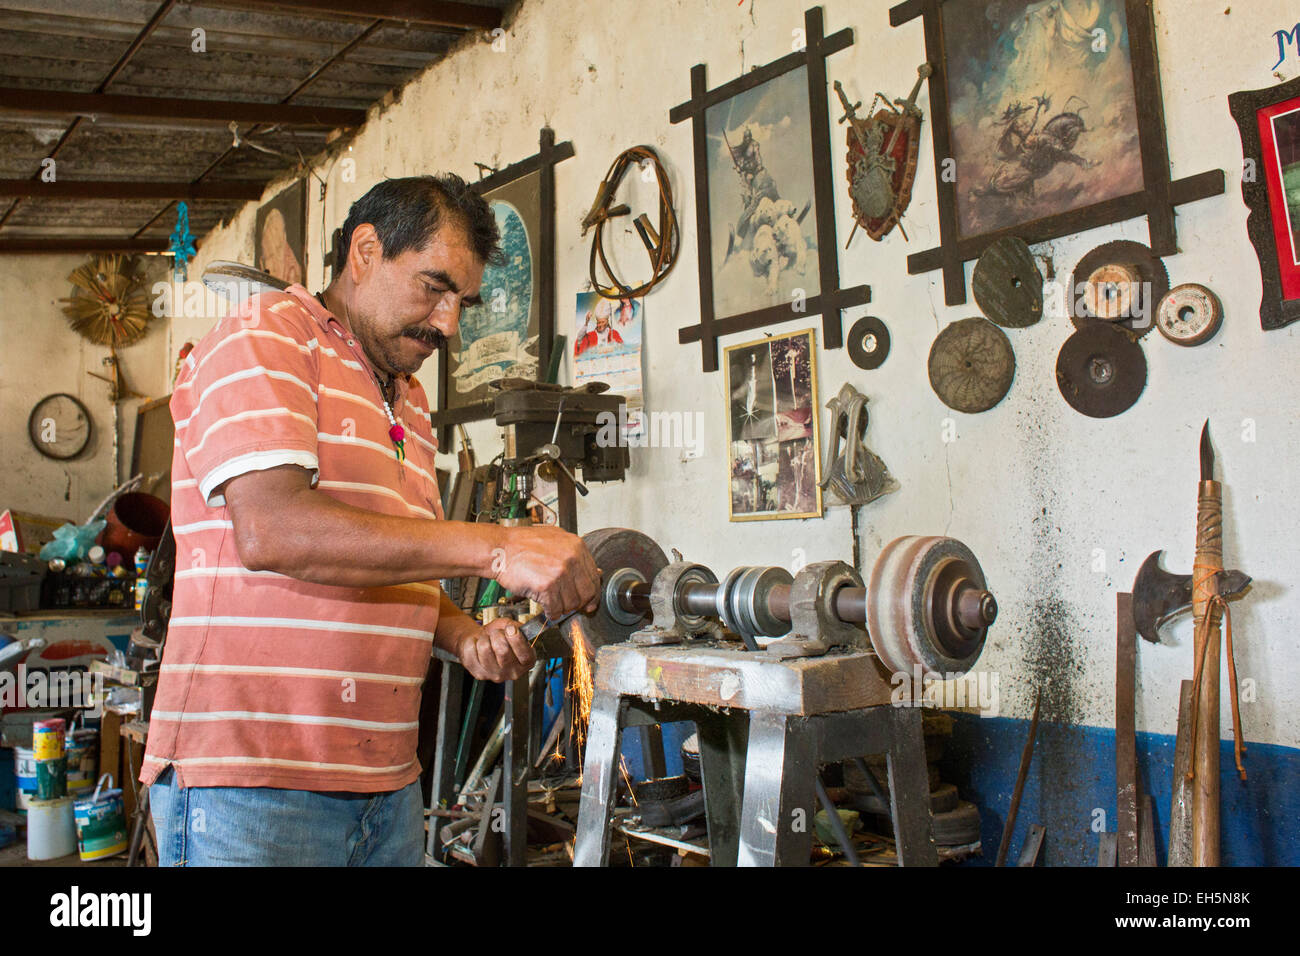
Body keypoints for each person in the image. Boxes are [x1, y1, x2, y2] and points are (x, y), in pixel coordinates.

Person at [141, 174, 601, 866]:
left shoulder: (408, 399)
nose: (448, 323)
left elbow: (388, 561)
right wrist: (500, 548)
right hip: (252, 785)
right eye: (433, 288)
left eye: (463, 303)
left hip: (386, 784)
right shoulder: (264, 338)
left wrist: (463, 636)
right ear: (364, 251)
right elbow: (274, 531)